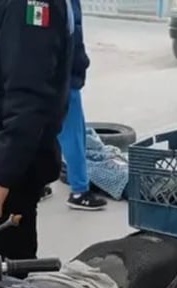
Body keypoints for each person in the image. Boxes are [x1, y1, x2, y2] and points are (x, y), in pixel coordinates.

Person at [0, 0, 72, 260]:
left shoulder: (23, 6)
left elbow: (29, 98)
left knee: (10, 268)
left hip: (9, 165)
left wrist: (0, 176)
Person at [58, 0, 106, 212]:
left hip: (45, 75)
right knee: (73, 134)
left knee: (40, 130)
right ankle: (79, 191)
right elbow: (72, 37)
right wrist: (80, 66)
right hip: (63, 77)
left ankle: (36, 184)